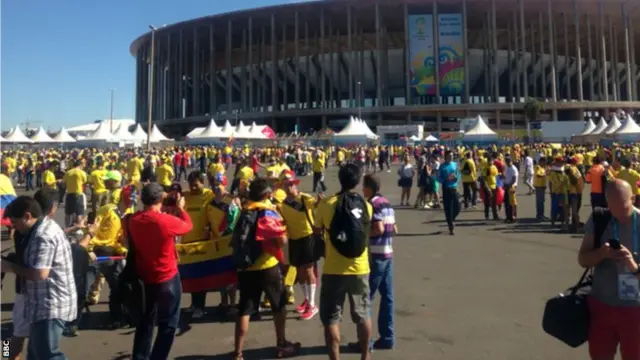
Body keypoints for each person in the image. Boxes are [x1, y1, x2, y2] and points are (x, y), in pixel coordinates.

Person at [232, 178, 300, 360]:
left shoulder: (244, 210)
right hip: (267, 266)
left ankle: (238, 352)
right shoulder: (268, 212)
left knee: (244, 309)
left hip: (246, 268)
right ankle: (281, 343)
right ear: (266, 195)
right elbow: (281, 240)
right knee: (279, 306)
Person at [2, 196, 77, 360]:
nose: (13, 228)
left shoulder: (36, 235)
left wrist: (8, 267)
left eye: (14, 223)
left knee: (14, 338)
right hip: (30, 295)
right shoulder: (30, 232)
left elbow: (38, 272)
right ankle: (7, 357)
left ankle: (6, 357)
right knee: (16, 339)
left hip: (32, 295)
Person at [128, 183, 193, 360]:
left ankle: (140, 356)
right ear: (160, 199)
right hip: (167, 278)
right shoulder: (165, 221)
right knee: (168, 324)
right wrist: (180, 209)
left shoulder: (133, 220)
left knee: (145, 322)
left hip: (145, 278)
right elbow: (187, 226)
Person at [315, 164, 373, 360]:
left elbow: (317, 230)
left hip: (333, 269)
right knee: (363, 315)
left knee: (331, 319)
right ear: (357, 182)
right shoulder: (366, 205)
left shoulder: (327, 204)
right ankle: (365, 356)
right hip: (360, 267)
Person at [577, 179, 640, 360]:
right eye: (613, 208)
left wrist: (632, 265)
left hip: (634, 310)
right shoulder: (600, 219)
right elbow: (583, 260)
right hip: (601, 305)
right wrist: (601, 254)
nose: (618, 213)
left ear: (633, 199)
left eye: (623, 207)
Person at [277, 170, 320, 320]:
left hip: (308, 238)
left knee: (308, 271)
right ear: (281, 187)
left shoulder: (304, 198)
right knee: (300, 273)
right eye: (286, 184)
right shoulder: (281, 205)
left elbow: (317, 205)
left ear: (295, 184)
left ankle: (313, 305)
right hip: (294, 240)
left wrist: (320, 200)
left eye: (291, 184)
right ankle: (307, 300)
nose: (289, 187)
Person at [362, 174, 397, 350]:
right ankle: (387, 337)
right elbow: (394, 229)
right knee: (388, 297)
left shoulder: (372, 204)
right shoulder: (387, 203)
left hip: (375, 256)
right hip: (388, 253)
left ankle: (365, 341)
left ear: (368, 188)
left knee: (366, 298)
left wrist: (362, 234)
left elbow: (378, 228)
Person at [438, 150, 461, 234]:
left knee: (458, 207)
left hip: (454, 188)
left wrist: (456, 178)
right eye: (449, 155)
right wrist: (445, 179)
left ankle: (452, 219)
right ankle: (451, 226)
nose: (451, 157)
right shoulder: (442, 166)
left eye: (452, 155)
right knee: (448, 209)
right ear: (446, 156)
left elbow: (459, 175)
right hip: (446, 188)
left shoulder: (455, 165)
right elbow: (438, 178)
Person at [503, 157, 519, 223]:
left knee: (512, 203)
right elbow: (506, 176)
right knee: (506, 203)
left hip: (512, 187)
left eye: (508, 161)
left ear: (511, 161)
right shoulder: (507, 167)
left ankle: (513, 217)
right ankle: (508, 217)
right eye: (506, 161)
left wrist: (508, 186)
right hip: (506, 186)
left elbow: (514, 179)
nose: (507, 163)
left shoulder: (513, 169)